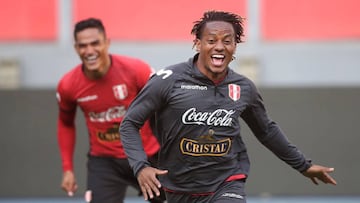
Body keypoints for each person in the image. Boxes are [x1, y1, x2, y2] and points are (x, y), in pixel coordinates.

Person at [119, 10, 337, 203]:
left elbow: (267, 131)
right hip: (179, 187)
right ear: (198, 43)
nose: (219, 47)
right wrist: (141, 166)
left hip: (227, 181)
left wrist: (304, 166)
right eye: (211, 40)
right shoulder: (167, 80)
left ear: (235, 46)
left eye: (227, 41)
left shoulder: (243, 87)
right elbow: (129, 123)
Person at [56, 18, 166, 203]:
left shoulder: (136, 70)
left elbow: (165, 107)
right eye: (83, 46)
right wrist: (67, 168)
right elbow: (65, 124)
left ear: (107, 43)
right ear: (76, 48)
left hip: (147, 155)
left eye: (95, 43)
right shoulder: (68, 85)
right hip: (105, 162)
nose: (89, 51)